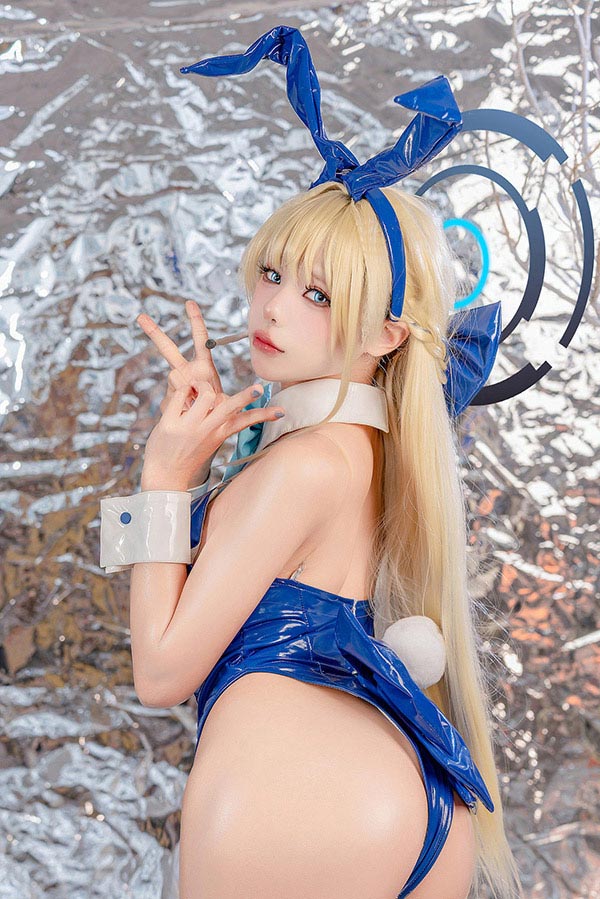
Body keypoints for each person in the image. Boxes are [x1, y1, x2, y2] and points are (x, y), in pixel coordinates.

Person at [99, 26, 524, 899]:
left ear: (386, 334)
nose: (273, 307)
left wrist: (163, 480)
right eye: (273, 272)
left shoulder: (306, 465)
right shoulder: (363, 449)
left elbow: (161, 672)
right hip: (403, 787)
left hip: (282, 802)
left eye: (319, 293)